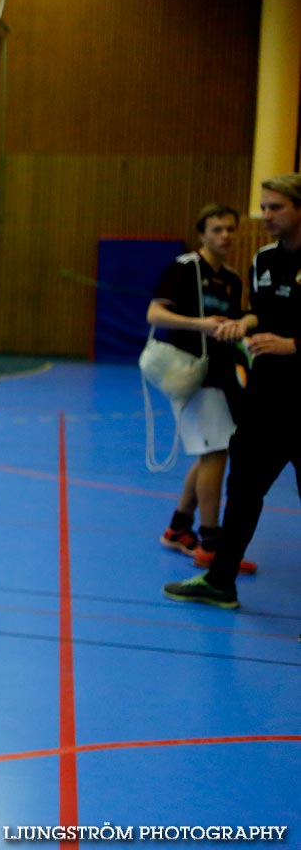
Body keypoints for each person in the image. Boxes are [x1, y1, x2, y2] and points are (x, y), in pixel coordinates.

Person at [164, 173, 301, 611]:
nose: (265, 216)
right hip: (267, 399)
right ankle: (221, 580)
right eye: (263, 207)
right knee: (242, 489)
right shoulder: (262, 261)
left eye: (275, 207)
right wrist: (247, 323)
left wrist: (293, 345)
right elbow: (266, 313)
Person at [147, 203, 255, 573]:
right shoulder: (185, 268)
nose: (225, 236)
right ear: (202, 234)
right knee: (216, 452)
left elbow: (234, 319)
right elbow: (155, 314)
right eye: (216, 229)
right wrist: (201, 324)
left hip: (219, 370)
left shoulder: (232, 278)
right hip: (189, 370)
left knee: (211, 450)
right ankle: (211, 542)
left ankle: (179, 528)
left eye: (230, 229)